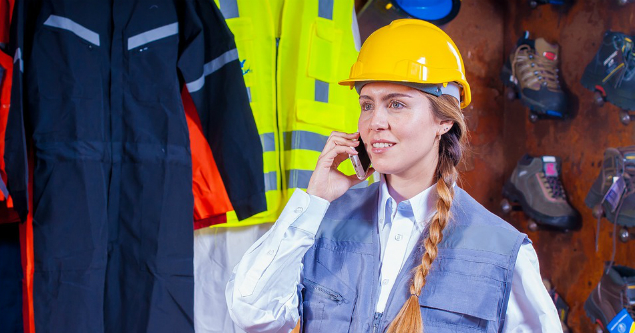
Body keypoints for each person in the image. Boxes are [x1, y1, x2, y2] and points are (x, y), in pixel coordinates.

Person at [226, 19, 562, 333]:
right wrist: (314, 201)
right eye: (367, 104)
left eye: (396, 104)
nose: (375, 122)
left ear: (444, 121)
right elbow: (250, 312)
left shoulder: (502, 250)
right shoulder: (320, 222)